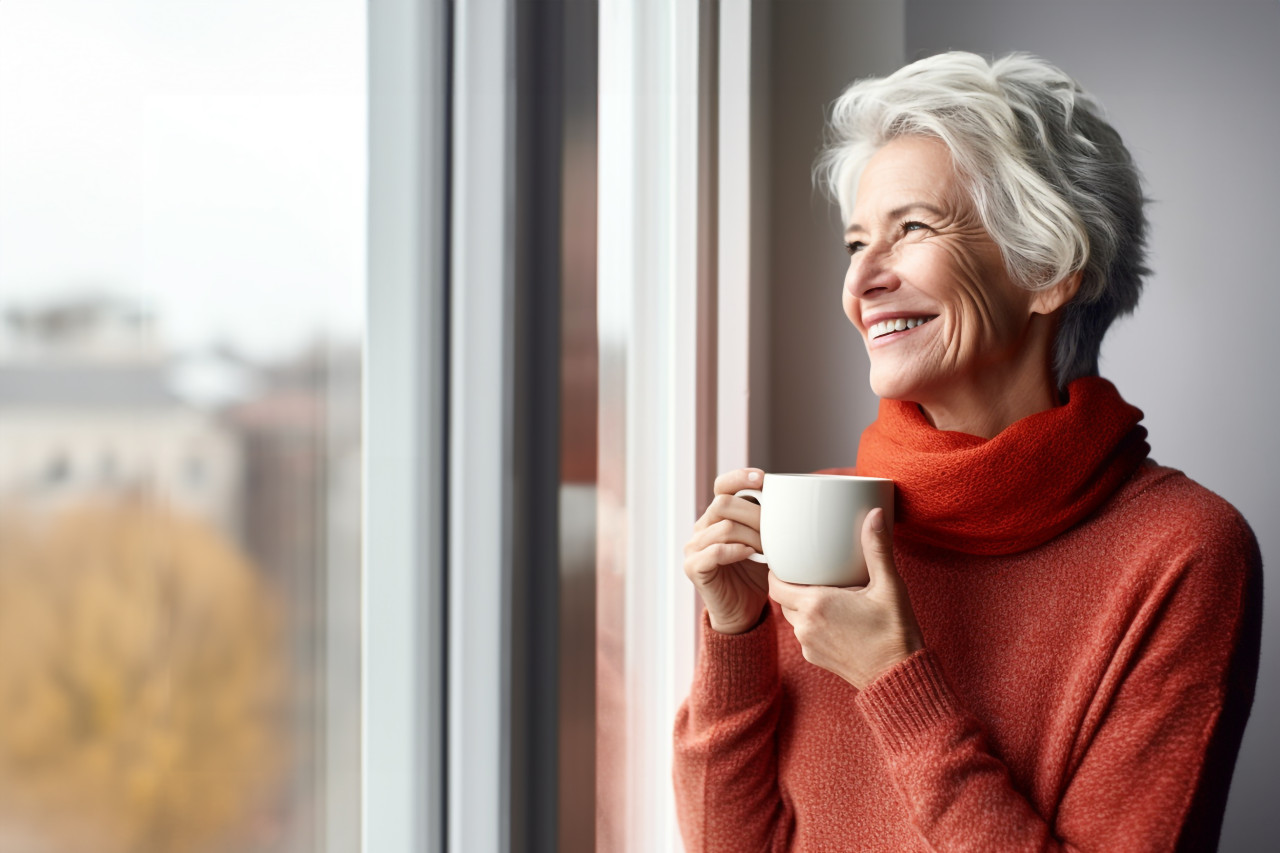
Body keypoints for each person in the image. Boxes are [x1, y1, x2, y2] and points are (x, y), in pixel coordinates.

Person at [674, 51, 1261, 852]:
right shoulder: (812, 526)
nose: (863, 281)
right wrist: (734, 638)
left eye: (912, 228)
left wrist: (895, 681)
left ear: (1049, 269)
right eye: (855, 244)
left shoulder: (1183, 552)